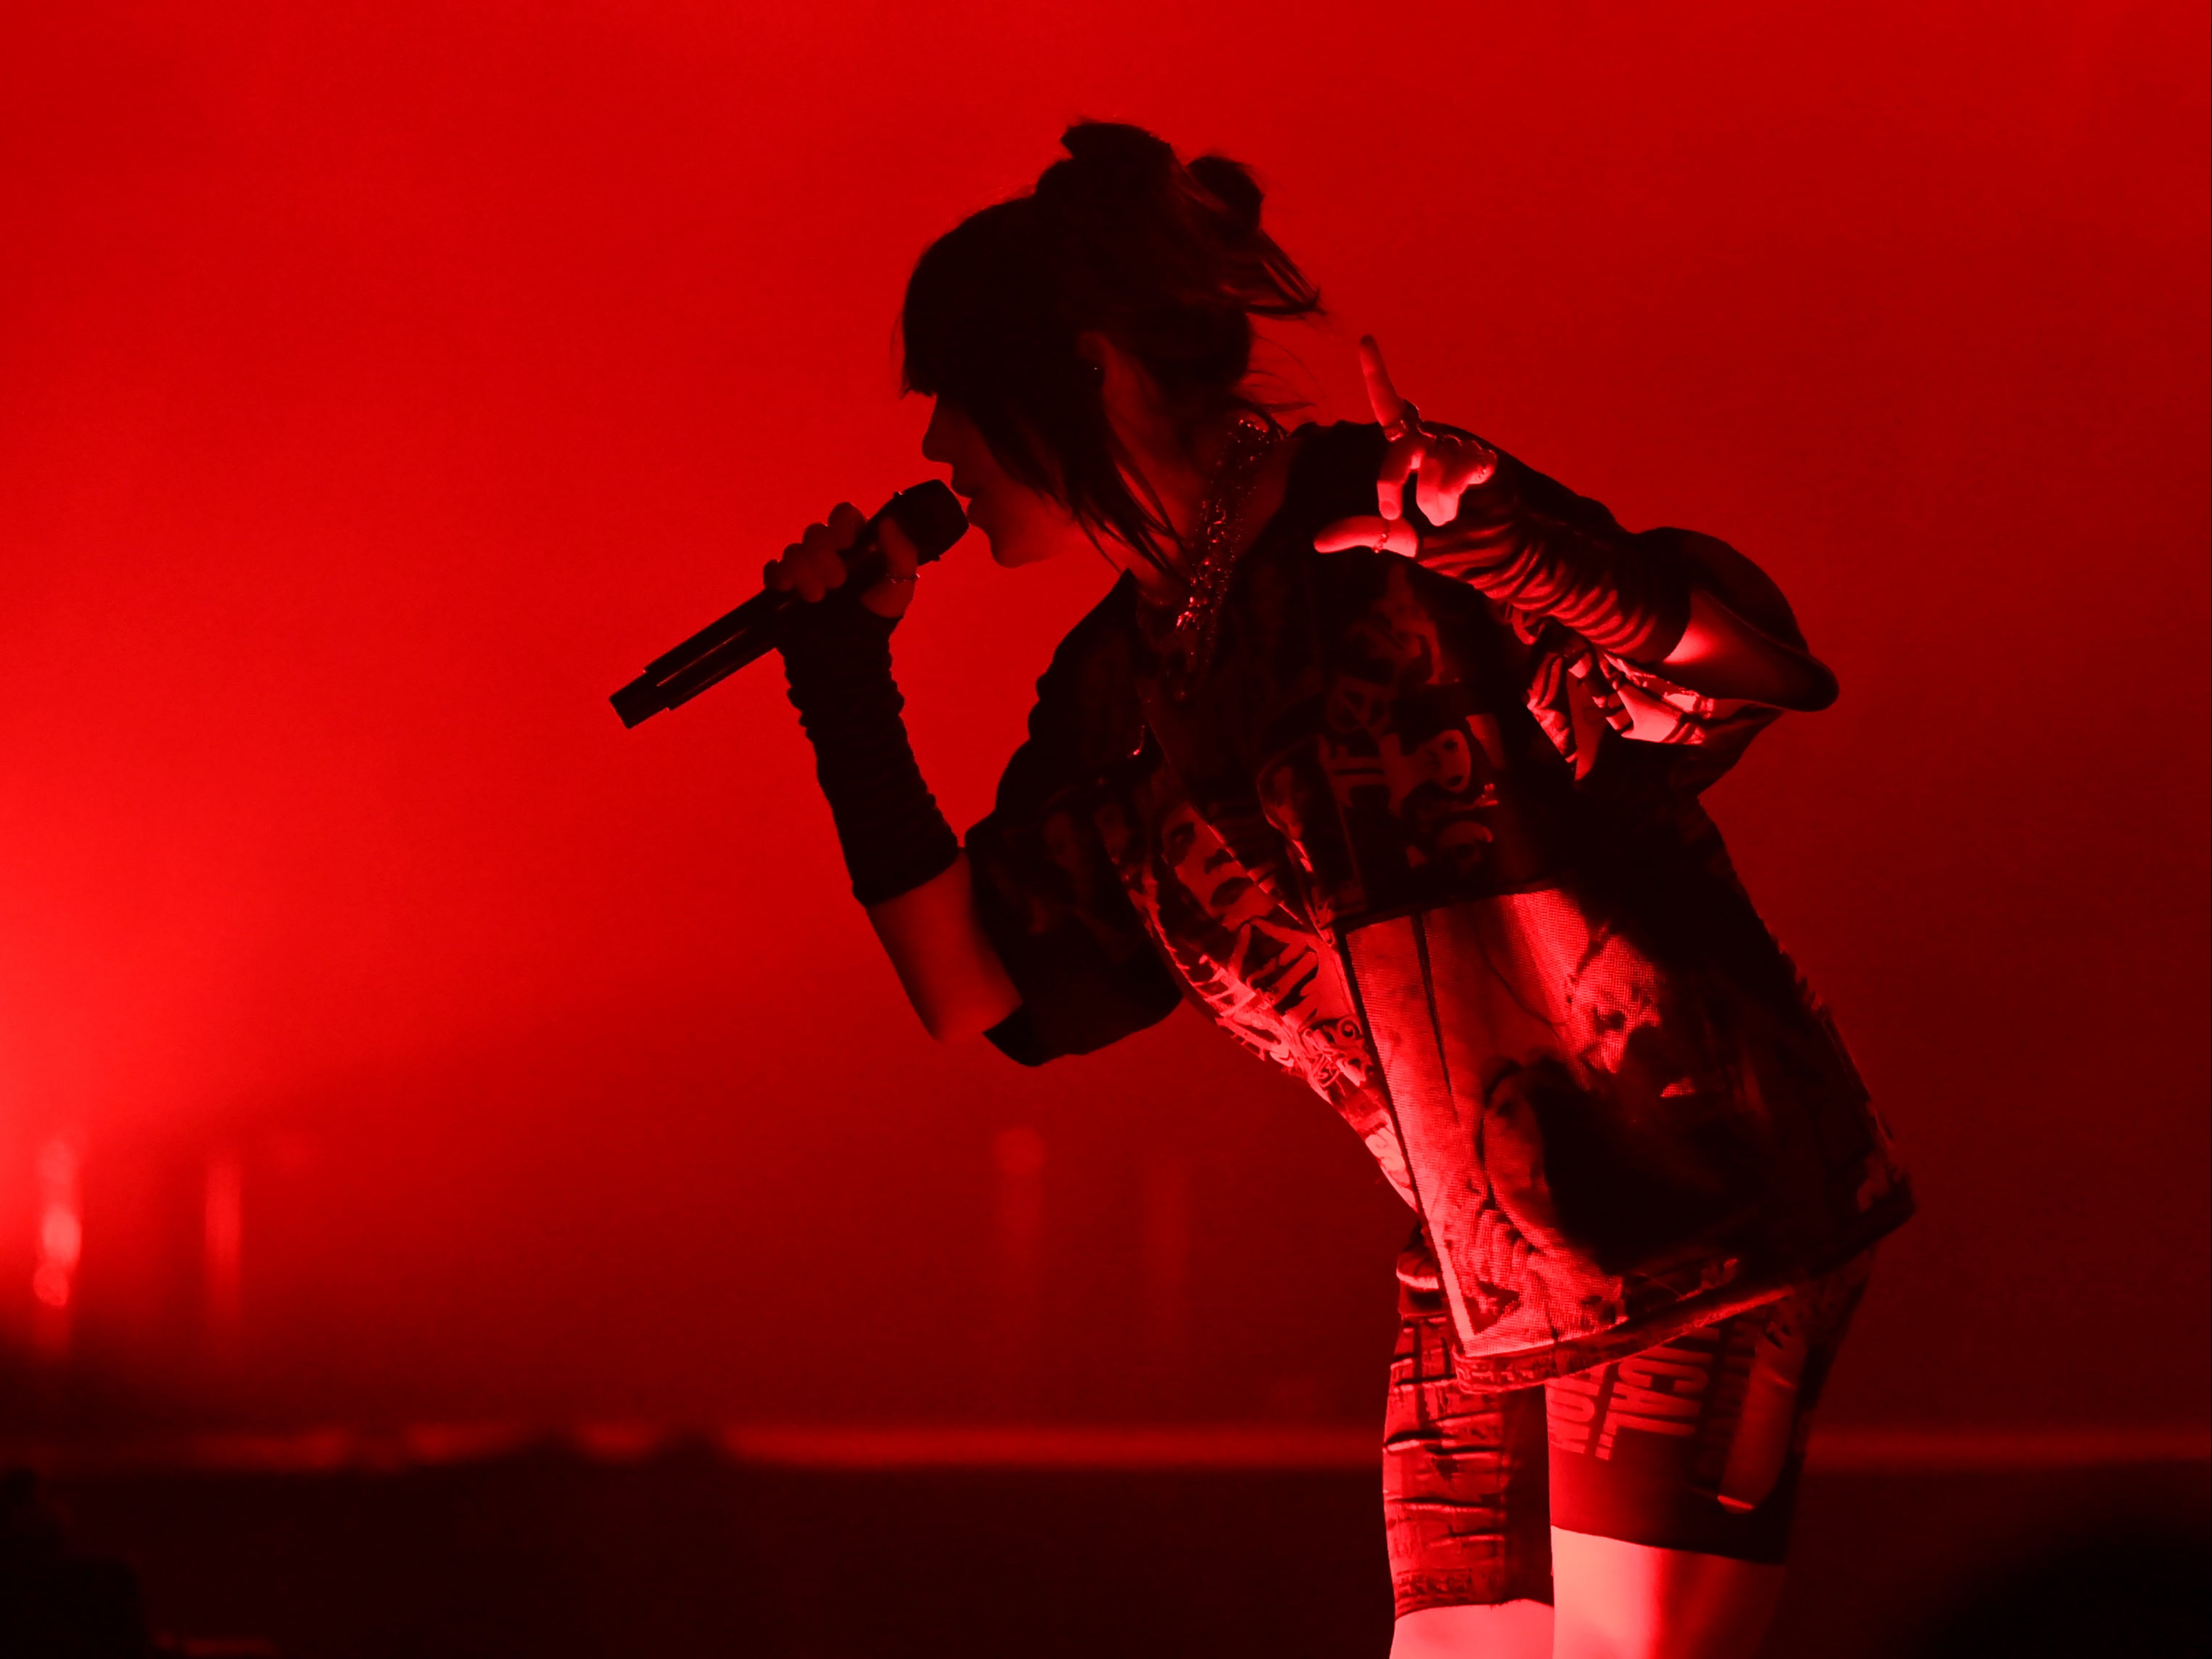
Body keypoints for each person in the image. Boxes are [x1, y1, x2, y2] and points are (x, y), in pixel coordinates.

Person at [762, 123, 1912, 1659]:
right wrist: (843, 688)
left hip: (1675, 1197)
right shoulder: (1117, 686)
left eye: (952, 405)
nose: (931, 458)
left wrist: (1536, 562)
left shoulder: (1385, 515)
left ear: (1082, 370)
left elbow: (1753, 673)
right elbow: (973, 981)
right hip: (1475, 1263)